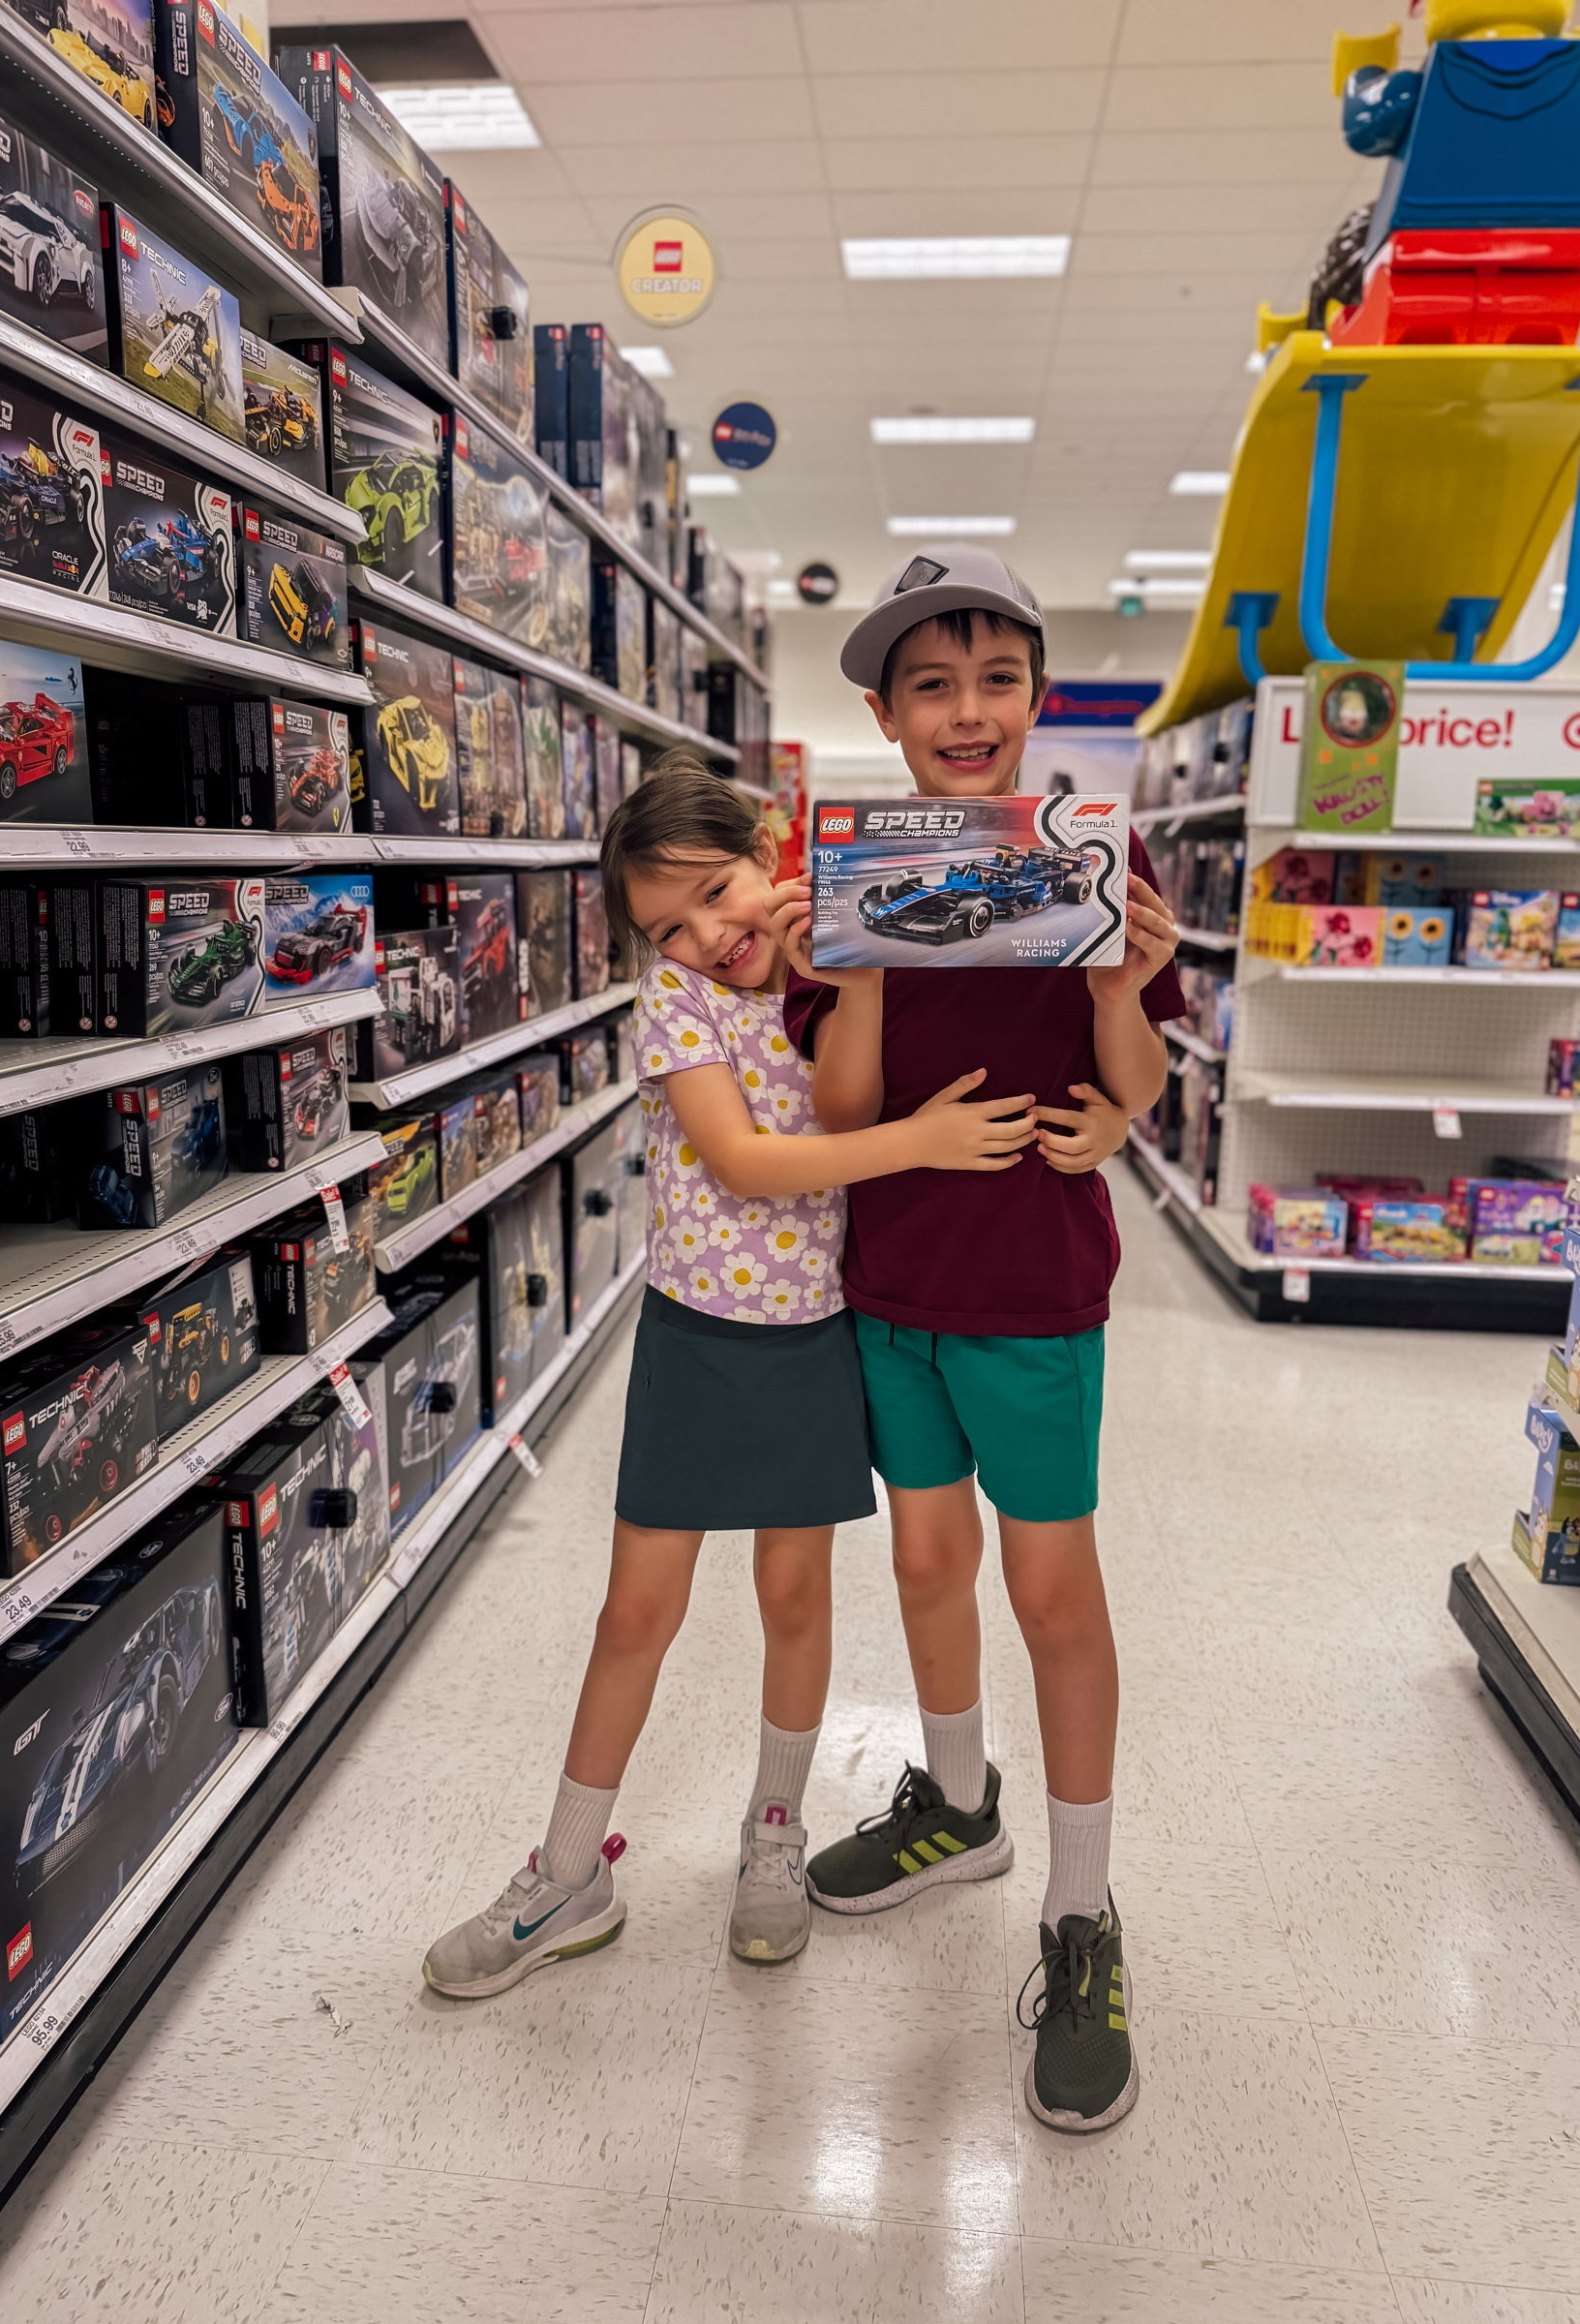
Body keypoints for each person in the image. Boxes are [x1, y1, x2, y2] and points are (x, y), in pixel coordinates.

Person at [421, 752, 1045, 1997]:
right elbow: (746, 1161)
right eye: (672, 922)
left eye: (721, 890)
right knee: (633, 1612)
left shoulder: (844, 957)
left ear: (773, 852)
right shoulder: (675, 1003)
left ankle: (774, 1829)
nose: (711, 933)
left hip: (816, 1333)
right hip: (697, 1339)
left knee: (794, 1594)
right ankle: (567, 1869)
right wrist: (920, 1144)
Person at [774, 546, 1184, 2133]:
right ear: (881, 707)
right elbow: (849, 1112)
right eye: (930, 684)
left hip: (1031, 1291)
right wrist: (859, 970)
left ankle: (1082, 1917)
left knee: (1049, 1586)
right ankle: (960, 1805)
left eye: (995, 679)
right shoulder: (854, 873)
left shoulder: (1097, 860)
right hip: (892, 1287)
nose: (966, 711)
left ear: (1035, 697)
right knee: (929, 1566)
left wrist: (1121, 990)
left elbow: (1135, 1091)